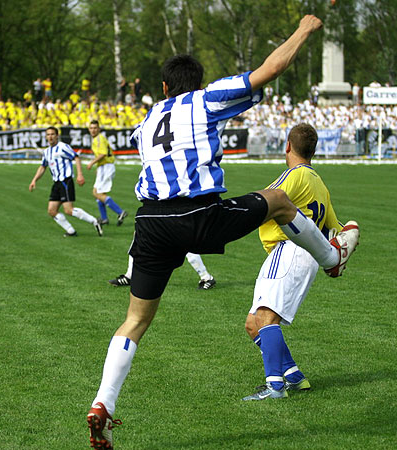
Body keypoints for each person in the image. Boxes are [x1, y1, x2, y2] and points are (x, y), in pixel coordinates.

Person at [86, 15, 360, 449]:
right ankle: (332, 258)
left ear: (162, 88)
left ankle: (103, 403)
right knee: (281, 202)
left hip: (151, 224)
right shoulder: (205, 99)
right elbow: (268, 70)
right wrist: (304, 30)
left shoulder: (147, 120)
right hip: (198, 214)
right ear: (196, 84)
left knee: (135, 320)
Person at [242, 123, 350, 401]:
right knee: (253, 323)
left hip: (289, 250)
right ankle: (293, 376)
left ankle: (275, 387)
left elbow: (266, 200)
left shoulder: (296, 175)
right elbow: (333, 227)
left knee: (266, 318)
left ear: (288, 146)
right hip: (301, 254)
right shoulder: (319, 183)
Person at [29, 126, 103, 237]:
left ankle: (94, 221)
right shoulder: (47, 152)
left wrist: (80, 175)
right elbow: (43, 166)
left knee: (68, 210)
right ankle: (71, 231)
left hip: (65, 181)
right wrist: (34, 180)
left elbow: (76, 157)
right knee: (51, 210)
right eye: (48, 135)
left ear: (57, 136)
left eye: (52, 134)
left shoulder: (63, 147)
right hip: (56, 183)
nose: (50, 137)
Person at [86, 120, 127, 226]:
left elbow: (103, 154)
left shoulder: (99, 139)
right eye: (91, 128)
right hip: (103, 167)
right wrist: (98, 167)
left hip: (106, 167)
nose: (93, 130)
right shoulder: (97, 139)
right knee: (98, 193)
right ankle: (104, 218)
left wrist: (92, 163)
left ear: (99, 129)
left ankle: (120, 212)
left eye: (95, 128)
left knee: (97, 193)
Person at [109, 252, 216, 290]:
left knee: (185, 244)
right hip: (157, 209)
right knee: (138, 239)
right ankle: (130, 276)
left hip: (174, 211)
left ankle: (206, 277)